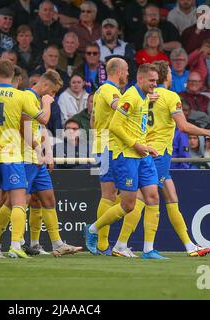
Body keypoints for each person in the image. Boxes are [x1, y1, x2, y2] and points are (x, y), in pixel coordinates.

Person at [112, 61, 210, 258]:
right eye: (169, 71)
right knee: (144, 198)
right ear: (165, 76)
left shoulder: (146, 96)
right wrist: (208, 132)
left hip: (149, 150)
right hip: (157, 153)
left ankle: (189, 245)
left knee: (171, 197)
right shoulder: (169, 96)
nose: (171, 74)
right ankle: (124, 244)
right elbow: (183, 127)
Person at [0, 70, 83, 258]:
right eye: (53, 92)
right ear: (45, 86)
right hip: (25, 158)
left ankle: (57, 243)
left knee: (48, 199)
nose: (53, 96)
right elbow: (24, 128)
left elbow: (42, 128)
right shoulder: (27, 97)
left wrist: (48, 154)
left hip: (36, 159)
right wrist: (39, 151)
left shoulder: (35, 99)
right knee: (13, 201)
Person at [0, 59, 52, 259]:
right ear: (16, 77)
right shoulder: (20, 96)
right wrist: (47, 103)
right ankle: (15, 245)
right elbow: (43, 120)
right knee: (18, 202)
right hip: (12, 157)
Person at [85, 63, 166, 259]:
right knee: (115, 198)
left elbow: (95, 120)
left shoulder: (137, 95)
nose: (155, 85)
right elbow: (117, 117)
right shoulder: (114, 91)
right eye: (127, 71)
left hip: (130, 150)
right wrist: (135, 144)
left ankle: (144, 248)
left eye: (156, 81)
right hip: (116, 149)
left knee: (147, 196)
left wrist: (145, 145)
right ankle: (98, 237)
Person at [88, 57, 129, 255]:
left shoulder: (99, 90)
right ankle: (102, 244)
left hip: (102, 145)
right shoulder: (109, 90)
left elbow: (92, 119)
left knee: (111, 195)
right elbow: (119, 107)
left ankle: (101, 243)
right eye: (127, 70)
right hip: (107, 147)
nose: (128, 74)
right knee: (110, 194)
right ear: (119, 71)